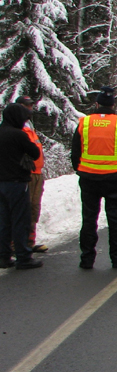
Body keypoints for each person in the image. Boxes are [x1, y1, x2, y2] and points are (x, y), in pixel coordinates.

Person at [71, 86, 117, 269]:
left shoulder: (84, 123)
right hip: (113, 179)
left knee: (89, 219)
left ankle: (86, 259)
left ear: (96, 104)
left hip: (88, 179)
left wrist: (81, 170)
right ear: (113, 106)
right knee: (115, 219)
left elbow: (75, 152)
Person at [0, 103, 43, 270]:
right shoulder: (19, 135)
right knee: (20, 220)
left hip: (1, 182)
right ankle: (23, 257)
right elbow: (34, 152)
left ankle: (3, 256)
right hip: (17, 182)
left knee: (3, 221)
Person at [16, 96, 48, 253]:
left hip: (37, 173)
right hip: (27, 174)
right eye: (26, 106)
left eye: (30, 105)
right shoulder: (19, 128)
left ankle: (29, 241)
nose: (30, 108)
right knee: (24, 209)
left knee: (34, 208)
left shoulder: (30, 126)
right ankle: (16, 244)